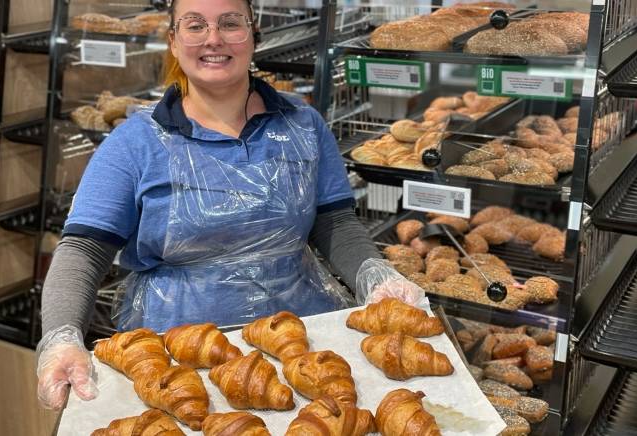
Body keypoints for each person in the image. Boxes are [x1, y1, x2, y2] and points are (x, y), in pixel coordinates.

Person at [35, 0, 418, 411]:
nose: (213, 39)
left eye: (231, 23)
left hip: (304, 351)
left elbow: (335, 223)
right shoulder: (135, 144)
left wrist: (374, 276)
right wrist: (61, 337)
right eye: (195, 25)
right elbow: (83, 250)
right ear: (174, 41)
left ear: (253, 35)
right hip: (178, 364)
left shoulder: (303, 125)